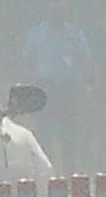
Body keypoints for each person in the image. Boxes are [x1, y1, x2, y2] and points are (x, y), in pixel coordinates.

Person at [21, 12, 93, 167]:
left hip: (68, 88)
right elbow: (27, 60)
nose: (58, 9)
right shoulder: (37, 33)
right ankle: (46, 171)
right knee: (44, 132)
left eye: (61, 5)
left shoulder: (75, 33)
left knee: (69, 133)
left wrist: (87, 84)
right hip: (44, 88)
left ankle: (69, 172)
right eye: (54, 5)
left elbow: (85, 59)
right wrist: (31, 82)